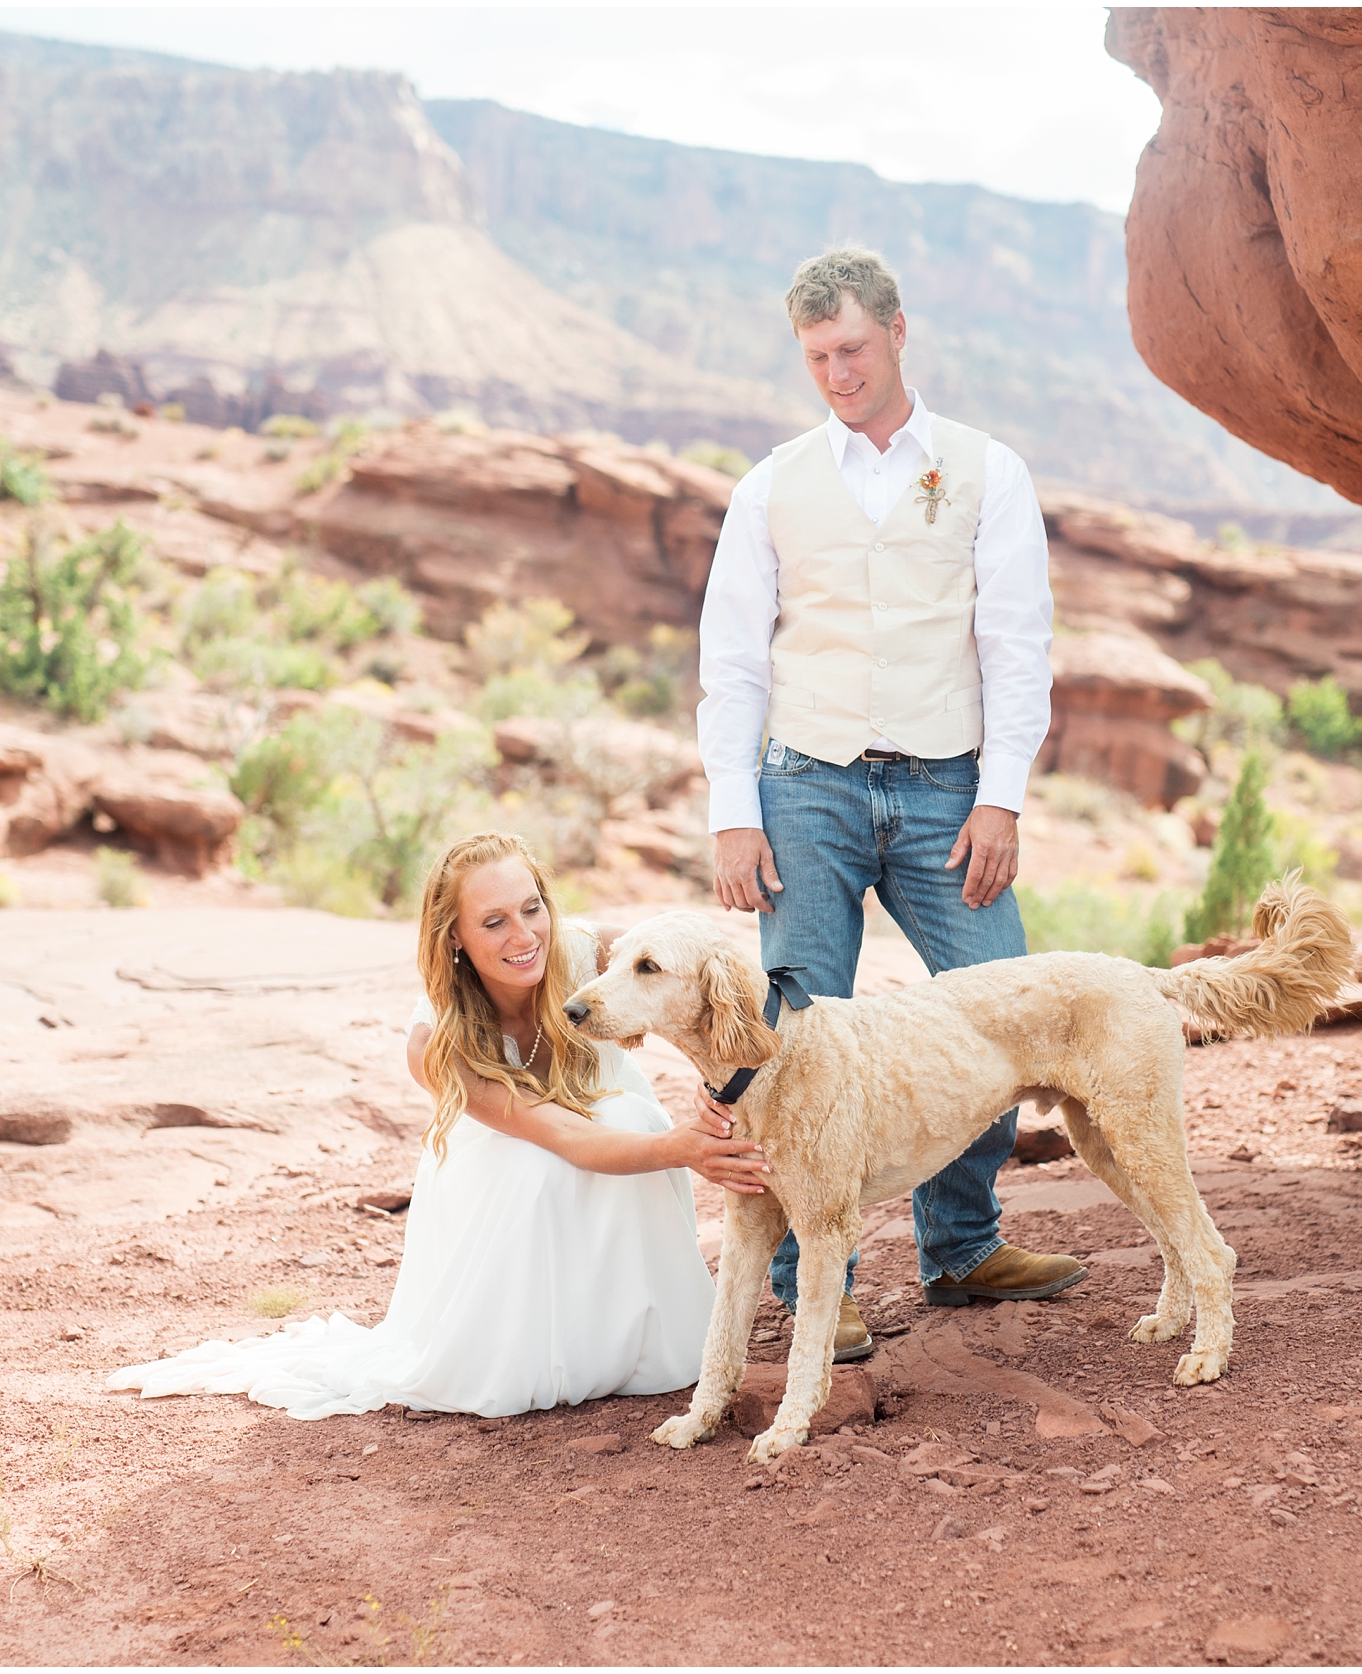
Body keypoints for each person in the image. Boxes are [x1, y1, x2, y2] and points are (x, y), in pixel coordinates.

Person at [696, 246, 1088, 1366]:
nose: (837, 372)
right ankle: (817, 1282)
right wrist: (735, 808)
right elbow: (734, 659)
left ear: (899, 332)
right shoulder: (770, 484)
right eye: (817, 356)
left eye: (853, 349)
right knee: (795, 1037)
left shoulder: (983, 470)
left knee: (990, 1014)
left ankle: (963, 1251)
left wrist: (1000, 799)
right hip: (804, 785)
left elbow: (1016, 644)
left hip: (944, 790)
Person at [107, 831, 768, 1419]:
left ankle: (635, 1338)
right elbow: (564, 1137)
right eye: (494, 922)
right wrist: (680, 1148)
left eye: (532, 908)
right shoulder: (435, 1044)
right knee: (549, 1162)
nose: (524, 937)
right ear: (455, 935)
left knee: (627, 1110)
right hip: (504, 1165)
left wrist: (721, 1090)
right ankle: (537, 1347)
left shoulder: (585, 951)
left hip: (604, 1130)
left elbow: (686, 965)